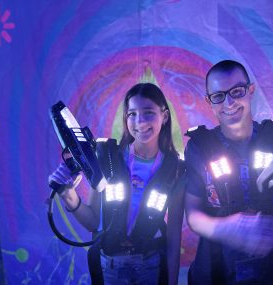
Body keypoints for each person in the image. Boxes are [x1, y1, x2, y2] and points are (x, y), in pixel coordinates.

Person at [184, 60, 273, 285]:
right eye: (219, 96)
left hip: (268, 271)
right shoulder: (199, 146)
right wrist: (226, 229)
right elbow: (192, 214)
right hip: (215, 271)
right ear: (209, 101)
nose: (229, 102)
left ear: (250, 90)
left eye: (236, 91)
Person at [49, 83, 186, 285]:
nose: (140, 121)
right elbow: (93, 222)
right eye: (132, 114)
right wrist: (67, 194)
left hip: (151, 267)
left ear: (164, 116)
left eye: (148, 112)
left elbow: (173, 240)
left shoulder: (175, 168)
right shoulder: (107, 157)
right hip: (108, 268)